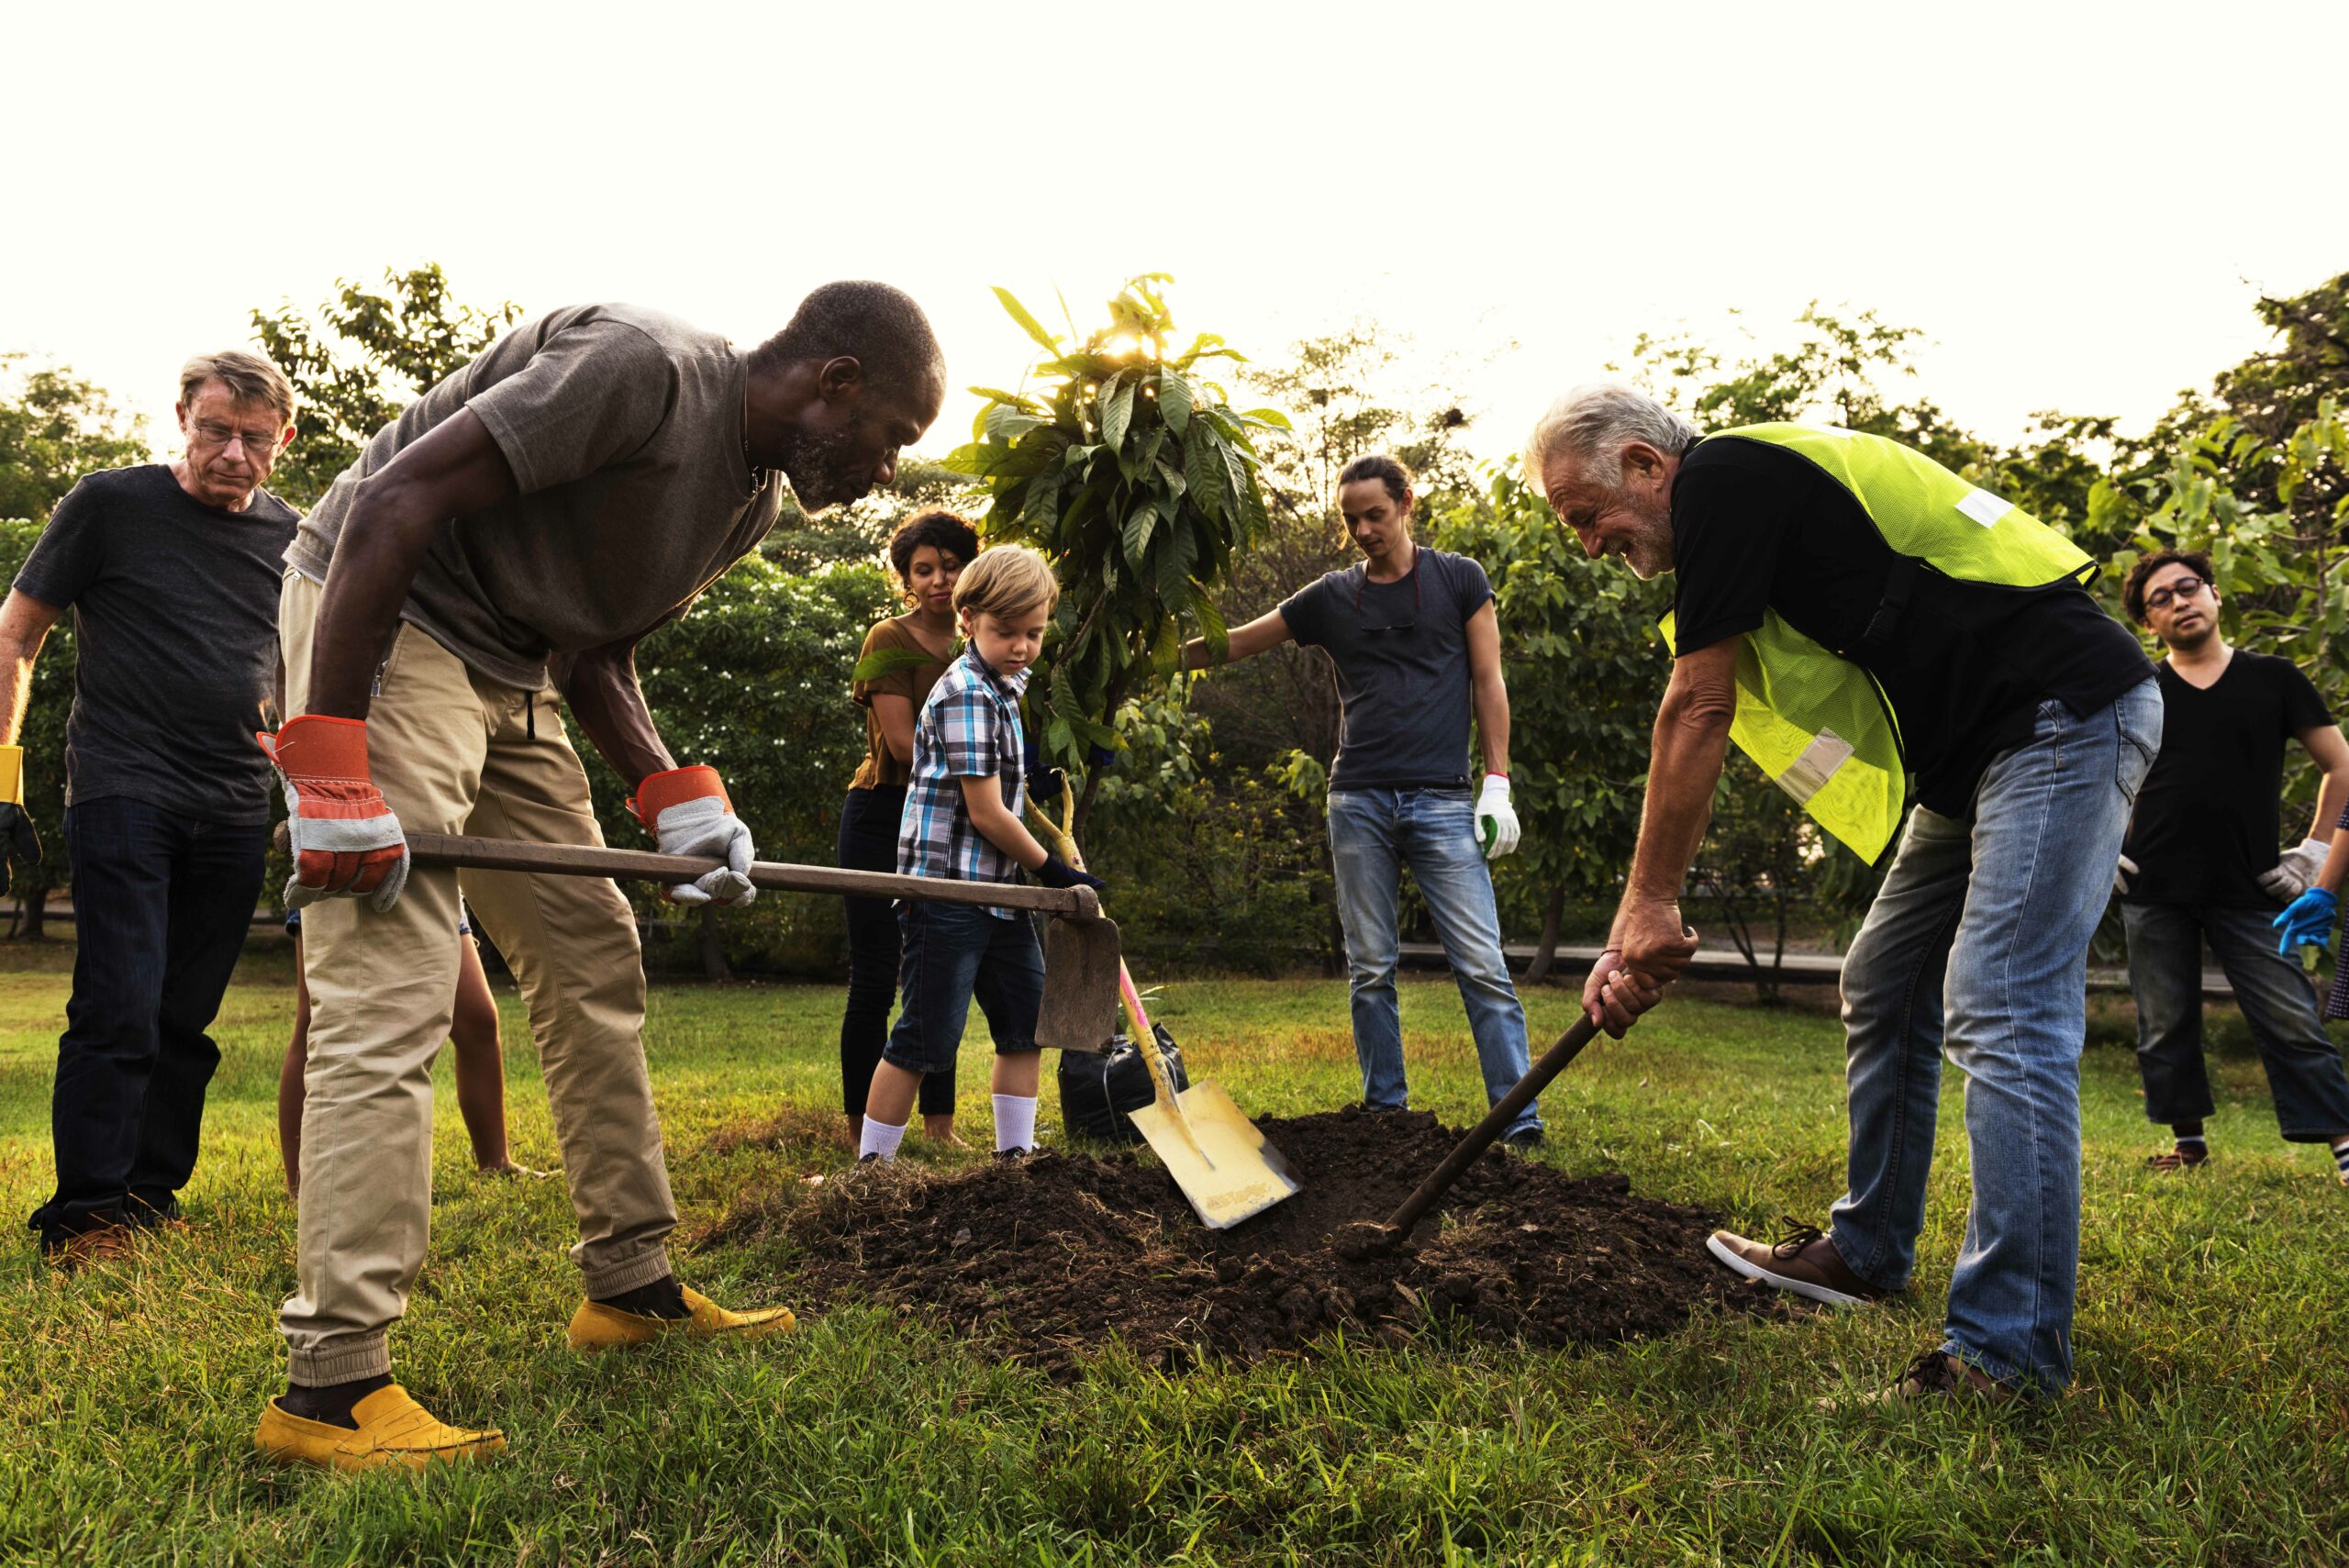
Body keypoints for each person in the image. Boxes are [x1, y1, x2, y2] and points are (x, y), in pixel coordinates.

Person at [250, 284, 945, 1471]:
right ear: (835, 382)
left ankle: (628, 1285)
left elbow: (592, 647)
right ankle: (331, 1385)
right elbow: (393, 496)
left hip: (515, 665)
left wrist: (677, 795)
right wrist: (330, 755)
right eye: (890, 437)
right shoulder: (646, 369)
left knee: (592, 955)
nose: (885, 474)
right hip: (391, 618)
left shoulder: (751, 504)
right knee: (394, 973)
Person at [1528, 385, 2159, 1403]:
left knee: (2000, 1002)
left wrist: (1644, 904)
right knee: (1886, 975)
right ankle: (1864, 1252)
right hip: (1979, 755)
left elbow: (1697, 702)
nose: (1589, 543)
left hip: (2059, 713)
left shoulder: (1725, 475)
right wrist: (1646, 902)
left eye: (1584, 514)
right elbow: (1710, 692)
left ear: (1647, 466)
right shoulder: (1741, 525)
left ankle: (2008, 1354)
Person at [7, 351, 300, 1269]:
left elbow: (295, 665)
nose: (233, 453)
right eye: (217, 430)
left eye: (255, 439)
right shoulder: (110, 503)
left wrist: (308, 778)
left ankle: (147, 1192)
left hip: (234, 799)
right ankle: (85, 1210)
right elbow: (18, 629)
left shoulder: (293, 536)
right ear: (182, 416)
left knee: (185, 1014)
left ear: (282, 442)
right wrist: (1, 775)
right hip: (123, 784)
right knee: (119, 998)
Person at [1179, 455, 1539, 1146]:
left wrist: (1498, 781)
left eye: (1375, 514)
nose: (1364, 530)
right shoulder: (1331, 597)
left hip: (1441, 799)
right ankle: (1385, 1114)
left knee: (1483, 966)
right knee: (1371, 967)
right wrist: (1156, 656)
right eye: (1351, 520)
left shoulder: (1460, 580)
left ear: (1408, 502)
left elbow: (1489, 682)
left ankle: (1517, 1119)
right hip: (1359, 801)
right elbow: (1238, 643)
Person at [856, 545, 1103, 1165]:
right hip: (949, 893)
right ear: (968, 620)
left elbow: (996, 786)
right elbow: (987, 812)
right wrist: (1052, 871)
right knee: (925, 1036)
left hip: (998, 893)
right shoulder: (968, 690)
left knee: (1025, 1023)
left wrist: (1033, 781)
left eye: (1034, 633)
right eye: (1005, 632)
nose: (1021, 646)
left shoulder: (1003, 686)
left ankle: (1013, 1158)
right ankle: (871, 1168)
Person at [2114, 548, 2349, 1187]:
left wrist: (2315, 852)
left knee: (2292, 1015)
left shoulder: (2274, 677)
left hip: (2254, 885)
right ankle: (2187, 1141)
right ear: (2149, 623)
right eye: (2159, 598)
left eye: (2187, 587)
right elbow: (2092, 770)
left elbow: (2342, 766)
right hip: (2152, 887)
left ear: (2215, 594)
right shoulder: (2141, 690)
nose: (2178, 601)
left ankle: (2344, 1142)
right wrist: (2101, 845)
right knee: (2163, 1021)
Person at [839, 511, 975, 1149]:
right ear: (907, 580)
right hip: (882, 813)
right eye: (925, 569)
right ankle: (859, 1125)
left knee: (941, 970)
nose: (940, 579)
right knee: (875, 975)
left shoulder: (985, 643)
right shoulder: (887, 638)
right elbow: (902, 742)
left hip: (955, 819)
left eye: (950, 565)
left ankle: (940, 1125)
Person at [279, 903, 542, 1193]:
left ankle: (495, 1162)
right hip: (342, 873)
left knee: (478, 1018)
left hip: (431, 880)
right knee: (314, 1020)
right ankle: (300, 1186)